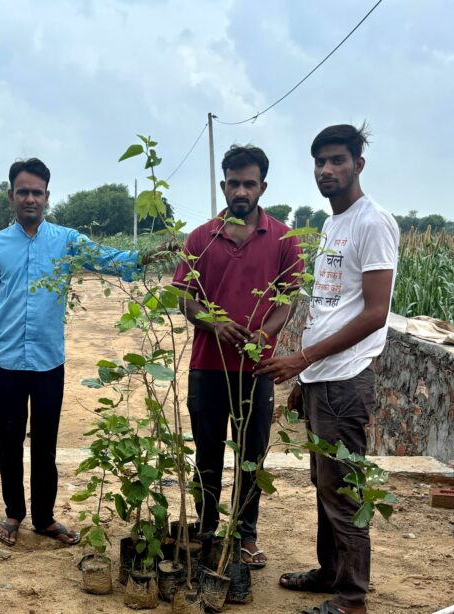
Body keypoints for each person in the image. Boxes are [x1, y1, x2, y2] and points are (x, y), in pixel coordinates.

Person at [256, 124, 399, 614]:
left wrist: (303, 359)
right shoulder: (332, 223)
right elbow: (329, 307)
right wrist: (305, 378)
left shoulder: (371, 223)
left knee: (344, 491)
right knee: (325, 484)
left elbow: (374, 313)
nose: (327, 170)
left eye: (337, 160)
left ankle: (352, 598)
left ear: (358, 164)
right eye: (320, 162)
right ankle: (331, 573)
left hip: (345, 380)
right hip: (323, 379)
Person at [0, 157, 151, 547]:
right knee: (7, 441)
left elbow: (107, 258)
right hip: (5, 363)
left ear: (47, 196)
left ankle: (44, 518)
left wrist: (147, 258)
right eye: (23, 191)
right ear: (11, 196)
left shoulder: (67, 241)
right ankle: (12, 514)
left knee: (45, 443)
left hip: (48, 362)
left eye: (37, 192)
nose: (30, 198)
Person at [171, 145, 303, 568]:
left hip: (256, 368)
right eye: (234, 183)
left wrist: (264, 334)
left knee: (251, 457)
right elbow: (185, 300)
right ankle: (207, 529)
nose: (241, 190)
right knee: (207, 455)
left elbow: (288, 301)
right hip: (207, 368)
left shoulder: (284, 240)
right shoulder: (200, 238)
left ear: (263, 186)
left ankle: (245, 535)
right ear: (223, 185)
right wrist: (215, 323)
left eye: (250, 183)